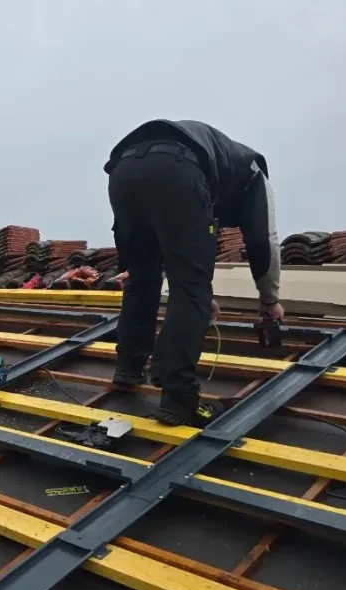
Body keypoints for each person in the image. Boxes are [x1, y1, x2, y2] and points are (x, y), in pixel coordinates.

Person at [104, 119, 284, 427]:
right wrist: (270, 301)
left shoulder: (216, 168)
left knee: (142, 278)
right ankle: (179, 399)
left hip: (122, 169)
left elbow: (174, 237)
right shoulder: (254, 174)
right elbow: (263, 240)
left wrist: (195, 289)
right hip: (175, 167)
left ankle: (128, 367)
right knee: (189, 290)